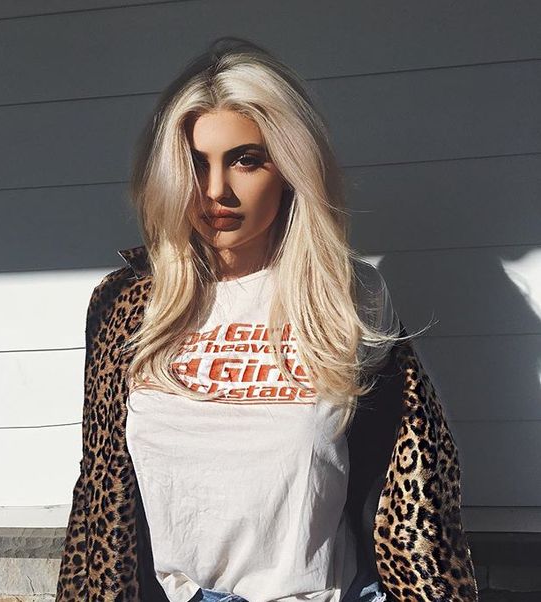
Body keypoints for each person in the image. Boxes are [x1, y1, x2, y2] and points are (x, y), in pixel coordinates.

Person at [55, 37, 478, 602]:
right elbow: (98, 498)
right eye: (195, 163)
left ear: (290, 167)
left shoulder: (346, 297)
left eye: (245, 160)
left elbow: (415, 483)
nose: (215, 191)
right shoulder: (128, 305)